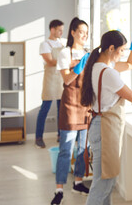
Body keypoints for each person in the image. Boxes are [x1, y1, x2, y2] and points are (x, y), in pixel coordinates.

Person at [80, 28, 132, 205]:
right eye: (121, 50)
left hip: (100, 126)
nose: (122, 55)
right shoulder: (108, 73)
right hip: (105, 130)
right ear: (111, 48)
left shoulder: (97, 66)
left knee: (106, 181)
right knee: (103, 184)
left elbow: (129, 65)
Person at [51, 17, 92, 205]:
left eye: (86, 33)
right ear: (73, 32)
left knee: (83, 149)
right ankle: (59, 189)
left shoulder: (88, 54)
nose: (84, 35)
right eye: (81, 32)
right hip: (69, 106)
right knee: (66, 150)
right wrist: (79, 65)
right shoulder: (65, 53)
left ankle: (78, 182)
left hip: (85, 106)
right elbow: (67, 80)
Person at [36, 19, 64, 148]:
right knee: (45, 108)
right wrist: (66, 61)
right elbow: (51, 61)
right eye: (59, 30)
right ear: (52, 29)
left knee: (61, 109)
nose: (61, 32)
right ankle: (38, 137)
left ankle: (60, 135)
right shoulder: (45, 44)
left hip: (61, 79)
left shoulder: (62, 43)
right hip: (50, 79)